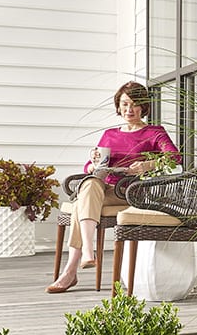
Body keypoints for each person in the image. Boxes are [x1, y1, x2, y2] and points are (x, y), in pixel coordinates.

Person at [46, 81, 181, 293]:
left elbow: (174, 157)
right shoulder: (110, 134)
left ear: (144, 107)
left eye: (135, 104)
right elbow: (92, 167)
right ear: (118, 105)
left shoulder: (154, 132)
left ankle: (71, 270)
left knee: (83, 201)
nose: (129, 109)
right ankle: (88, 253)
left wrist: (146, 165)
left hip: (132, 192)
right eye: (125, 104)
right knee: (89, 184)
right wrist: (93, 162)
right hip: (106, 189)